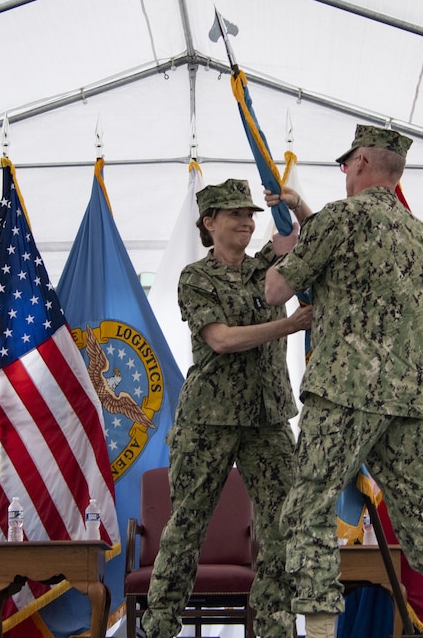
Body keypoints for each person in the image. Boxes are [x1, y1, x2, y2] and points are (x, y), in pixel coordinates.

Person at [264, 125, 423, 638]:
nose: (344, 173)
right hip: (416, 403)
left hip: (344, 396)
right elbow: (356, 252)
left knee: (308, 506)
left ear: (362, 164)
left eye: (346, 164)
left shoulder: (338, 221)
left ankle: (323, 631)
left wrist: (283, 249)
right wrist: (305, 212)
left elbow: (277, 289)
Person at [141, 179, 313, 638]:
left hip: (267, 418)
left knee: (282, 527)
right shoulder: (196, 278)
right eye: (234, 213)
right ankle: (158, 627)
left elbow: (317, 239)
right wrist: (288, 325)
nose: (246, 221)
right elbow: (218, 340)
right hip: (208, 421)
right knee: (187, 527)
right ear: (209, 222)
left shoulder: (270, 268)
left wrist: (294, 205)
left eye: (251, 213)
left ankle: (276, 629)